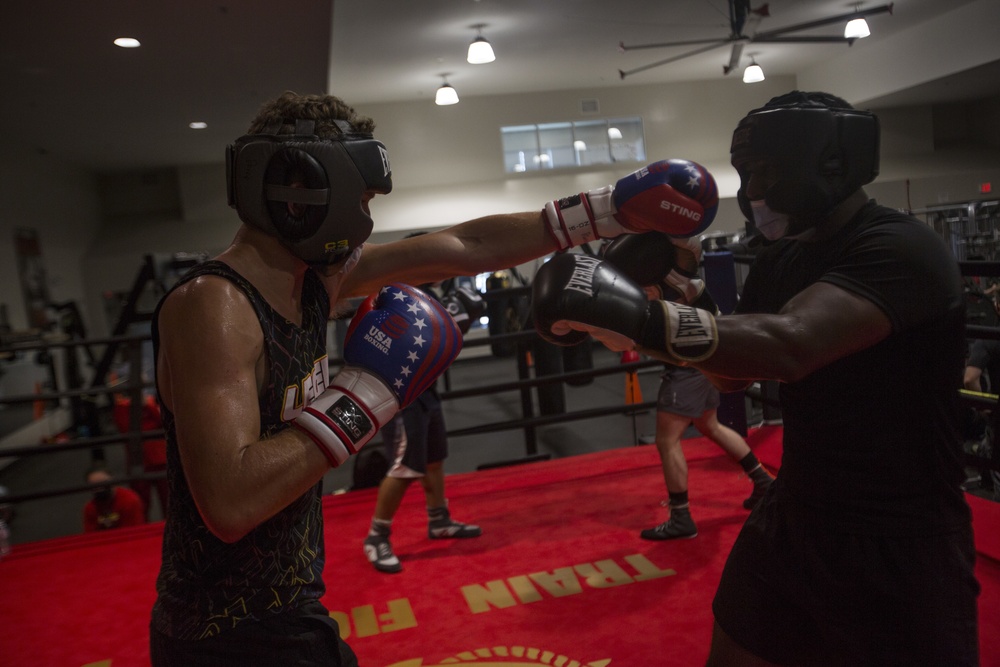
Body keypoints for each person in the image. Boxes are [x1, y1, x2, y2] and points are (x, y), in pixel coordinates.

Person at [148, 89, 720, 666]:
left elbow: (462, 247)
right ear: (307, 192)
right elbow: (229, 502)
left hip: (291, 606)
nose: (367, 220)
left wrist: (604, 213)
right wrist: (365, 396)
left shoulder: (311, 282)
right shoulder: (215, 307)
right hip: (223, 637)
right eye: (364, 199)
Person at [532, 91, 980, 666]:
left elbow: (793, 344)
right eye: (744, 174)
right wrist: (666, 300)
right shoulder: (781, 260)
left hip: (898, 537)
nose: (751, 193)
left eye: (764, 172)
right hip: (796, 514)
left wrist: (638, 318)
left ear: (828, 163)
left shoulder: (900, 248)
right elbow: (733, 378)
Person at [601, 232, 774, 540]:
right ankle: (763, 481)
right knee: (711, 425)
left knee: (667, 441)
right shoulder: (679, 271)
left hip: (688, 365)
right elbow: (685, 240)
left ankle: (681, 517)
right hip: (709, 356)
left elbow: (630, 336)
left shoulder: (653, 286)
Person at [363, 262, 486, 573]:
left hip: (426, 390)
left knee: (433, 459)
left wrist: (459, 323)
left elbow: (442, 350)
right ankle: (377, 536)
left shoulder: (428, 296)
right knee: (405, 467)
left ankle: (439, 519)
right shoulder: (394, 300)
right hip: (403, 396)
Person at [82, 464, 146, 532]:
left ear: (113, 480)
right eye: (94, 486)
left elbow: (134, 532)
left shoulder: (129, 500)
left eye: (103, 483)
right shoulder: (90, 508)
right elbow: (90, 535)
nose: (99, 488)